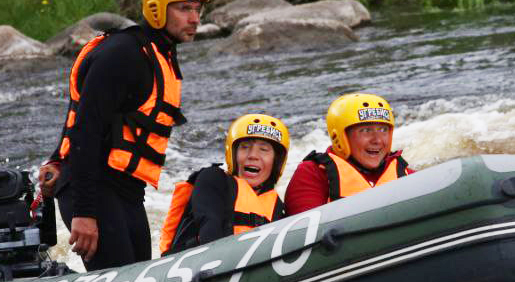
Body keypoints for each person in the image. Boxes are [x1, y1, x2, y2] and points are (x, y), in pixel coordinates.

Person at [36, 0, 208, 271]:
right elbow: (85, 129)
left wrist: (53, 159)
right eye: (184, 9)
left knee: (142, 277)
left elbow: (90, 115)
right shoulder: (123, 55)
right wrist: (85, 212)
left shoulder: (160, 52)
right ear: (156, 10)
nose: (195, 19)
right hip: (91, 189)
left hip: (125, 190)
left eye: (197, 9)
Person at [159, 113, 290, 255]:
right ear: (232, 155)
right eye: (245, 147)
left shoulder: (278, 208)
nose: (253, 155)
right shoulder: (213, 179)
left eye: (263, 149)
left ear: (276, 161)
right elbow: (210, 231)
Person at [284, 92, 412, 215]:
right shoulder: (313, 174)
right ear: (340, 137)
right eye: (366, 130)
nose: (377, 140)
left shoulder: (405, 173)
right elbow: (305, 230)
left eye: (383, 130)